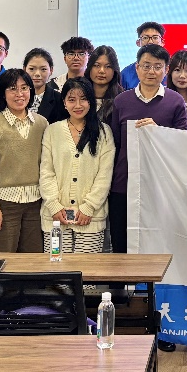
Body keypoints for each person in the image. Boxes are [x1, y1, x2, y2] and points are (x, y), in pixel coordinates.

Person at [109, 45, 187, 255]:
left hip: (160, 186)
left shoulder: (175, 102)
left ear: (166, 70)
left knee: (157, 246)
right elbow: (116, 144)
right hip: (124, 184)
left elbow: (182, 144)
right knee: (121, 245)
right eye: (146, 66)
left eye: (157, 66)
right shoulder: (121, 101)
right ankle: (120, 279)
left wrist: (157, 132)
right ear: (136, 68)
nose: (151, 71)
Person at [40, 77, 115, 253]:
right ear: (64, 102)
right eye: (72, 100)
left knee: (85, 269)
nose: (78, 105)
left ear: (91, 101)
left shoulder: (104, 132)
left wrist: (89, 207)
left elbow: (104, 175)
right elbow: (46, 172)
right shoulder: (52, 130)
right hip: (56, 219)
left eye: (83, 99)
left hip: (90, 218)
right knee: (56, 266)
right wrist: (54, 206)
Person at [0, 69, 47, 253]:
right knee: (1, 259)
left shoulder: (42, 123)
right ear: (3, 93)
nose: (19, 94)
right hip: (4, 204)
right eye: (13, 89)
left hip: (36, 203)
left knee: (33, 261)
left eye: (24, 88)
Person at [23, 48, 64, 122]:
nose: (37, 74)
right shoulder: (17, 96)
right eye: (32, 69)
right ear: (24, 69)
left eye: (43, 69)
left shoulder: (59, 99)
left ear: (51, 70)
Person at [121, 22, 165, 89]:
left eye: (155, 38)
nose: (150, 42)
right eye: (145, 38)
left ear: (162, 42)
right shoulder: (126, 74)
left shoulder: (172, 72)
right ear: (138, 43)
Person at [88, 45, 123, 127]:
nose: (101, 71)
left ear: (114, 70)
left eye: (108, 66)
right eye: (97, 65)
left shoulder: (121, 99)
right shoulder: (80, 95)